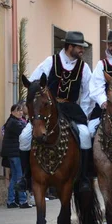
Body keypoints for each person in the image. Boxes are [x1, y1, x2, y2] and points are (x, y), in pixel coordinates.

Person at [28, 31, 95, 192]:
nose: (82, 51)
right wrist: (34, 106)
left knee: (85, 135)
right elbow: (33, 82)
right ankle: (25, 177)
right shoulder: (50, 61)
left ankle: (85, 177)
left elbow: (88, 93)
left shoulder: (84, 67)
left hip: (71, 108)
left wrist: (84, 113)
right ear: (70, 46)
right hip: (48, 109)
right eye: (80, 47)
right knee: (24, 136)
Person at [1, 104, 30, 208]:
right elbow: (25, 132)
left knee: (14, 177)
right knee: (20, 176)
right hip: (15, 153)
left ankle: (11, 201)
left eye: (21, 110)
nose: (20, 112)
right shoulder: (14, 122)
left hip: (12, 153)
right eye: (18, 111)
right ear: (12, 112)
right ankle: (22, 201)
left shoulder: (13, 121)